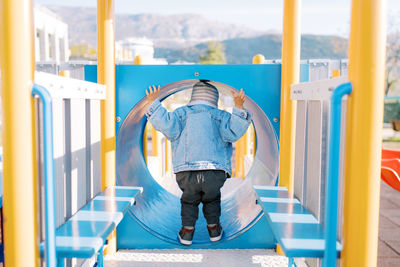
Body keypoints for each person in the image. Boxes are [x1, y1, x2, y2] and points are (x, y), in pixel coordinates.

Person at [145, 80, 252, 245]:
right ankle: (214, 229)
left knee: (189, 200)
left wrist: (154, 103)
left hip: (186, 172)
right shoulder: (220, 116)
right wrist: (238, 108)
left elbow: (166, 125)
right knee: (212, 199)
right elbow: (233, 132)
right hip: (214, 172)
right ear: (214, 100)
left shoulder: (181, 114)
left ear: (192, 98)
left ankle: (187, 232)